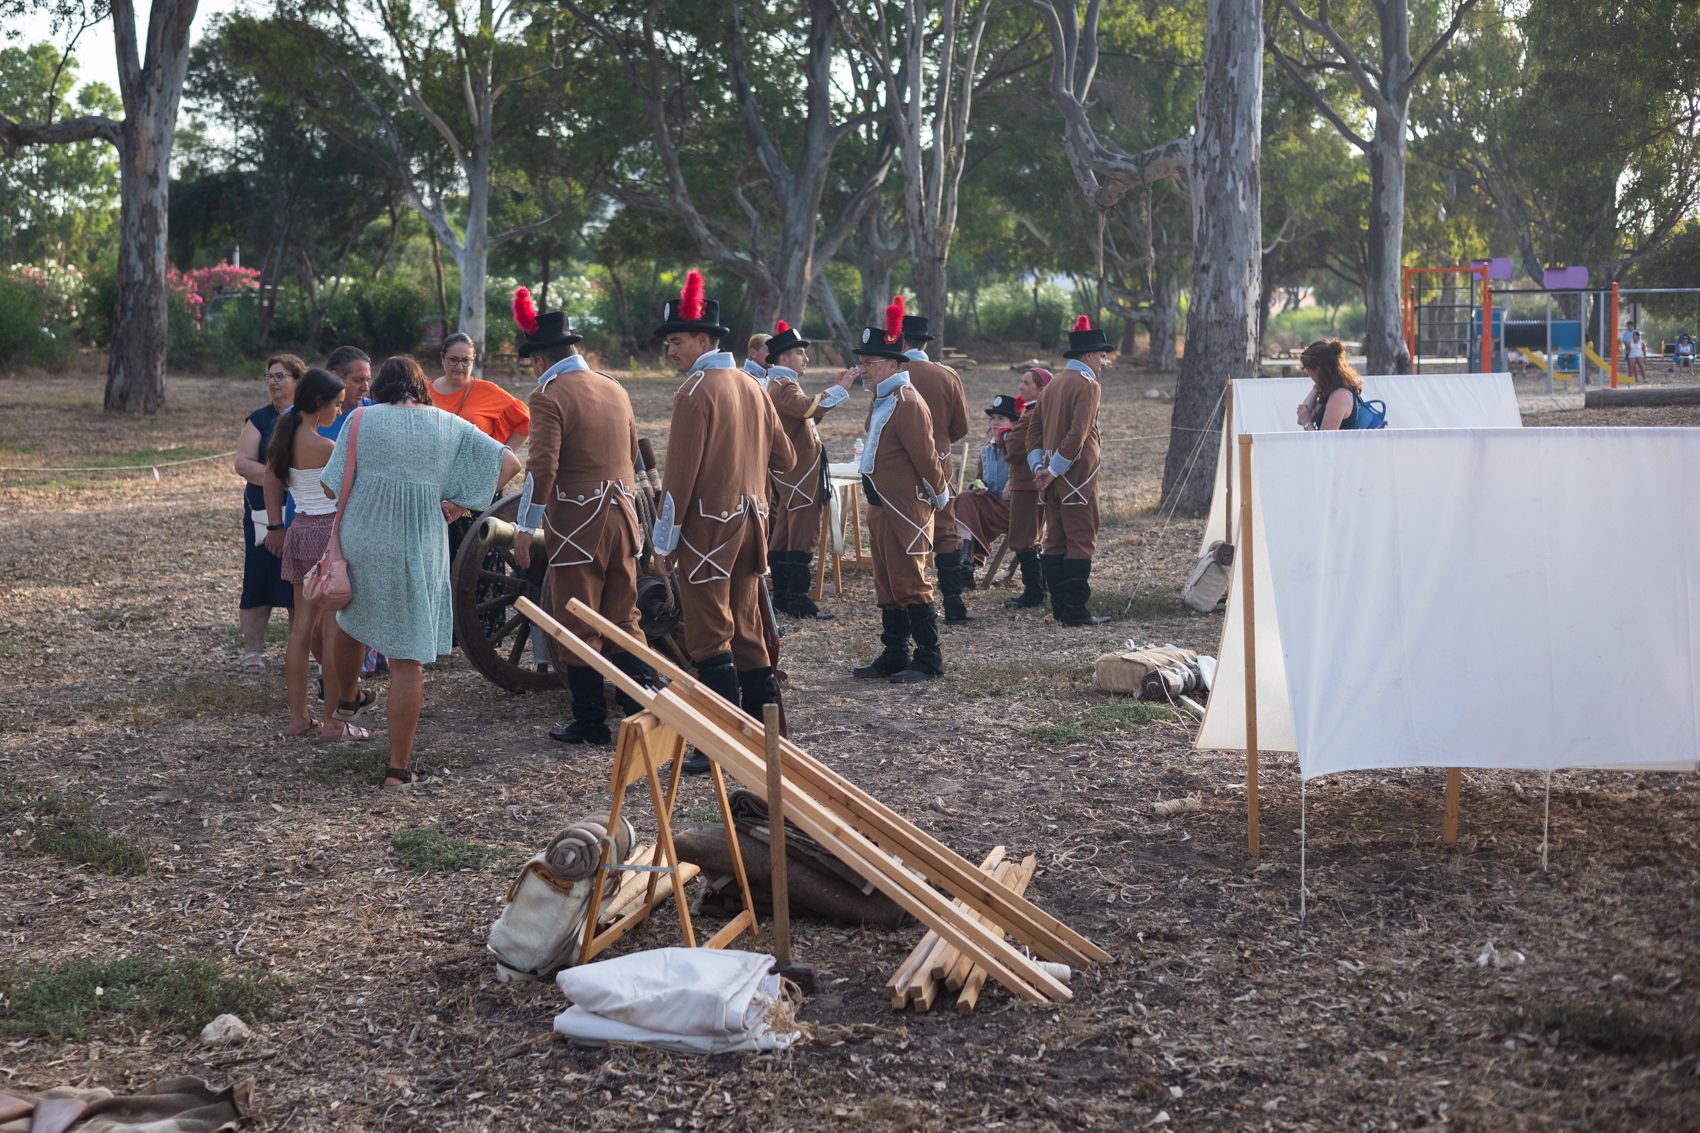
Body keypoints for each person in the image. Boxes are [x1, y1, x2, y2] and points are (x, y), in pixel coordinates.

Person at [320, 355, 522, 786]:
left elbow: (328, 483)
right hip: (419, 541)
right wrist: (459, 501)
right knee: (406, 660)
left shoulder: (360, 420)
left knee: (351, 620)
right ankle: (398, 769)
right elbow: (509, 463)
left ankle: (348, 698)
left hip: (364, 535)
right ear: (421, 387)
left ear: (381, 389)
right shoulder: (448, 424)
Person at [651, 271, 795, 771]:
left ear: (703, 339)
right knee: (748, 632)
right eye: (668, 342)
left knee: (710, 636)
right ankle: (769, 736)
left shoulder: (695, 392)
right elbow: (788, 458)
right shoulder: (753, 386)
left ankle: (718, 747)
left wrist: (663, 540)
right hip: (753, 525)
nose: (670, 350)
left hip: (709, 532)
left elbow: (679, 477)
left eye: (676, 340)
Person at [508, 287, 657, 746]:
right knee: (625, 617)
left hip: (577, 525)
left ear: (539, 359)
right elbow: (633, 454)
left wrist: (525, 526)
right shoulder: (615, 387)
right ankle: (645, 711)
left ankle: (592, 722)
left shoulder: (549, 394)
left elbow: (543, 466)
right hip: (623, 517)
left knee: (577, 622)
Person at [851, 298, 950, 684]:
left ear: (892, 364)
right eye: (861, 362)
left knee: (911, 582)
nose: (863, 369)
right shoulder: (882, 398)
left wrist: (939, 497)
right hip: (881, 505)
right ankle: (894, 652)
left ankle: (929, 657)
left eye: (869, 363)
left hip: (905, 507)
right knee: (887, 583)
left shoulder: (908, 401)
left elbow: (926, 459)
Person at [262, 368, 348, 738]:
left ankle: (298, 718)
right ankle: (332, 720)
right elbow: (339, 497)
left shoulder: (284, 439)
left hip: (299, 530)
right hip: (327, 535)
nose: (339, 413)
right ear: (318, 404)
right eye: (337, 405)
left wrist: (275, 525)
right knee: (330, 634)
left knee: (299, 630)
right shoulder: (327, 448)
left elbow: (269, 479)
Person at [762, 318, 857, 620]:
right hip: (799, 473)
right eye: (800, 352)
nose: (805, 358)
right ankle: (798, 598)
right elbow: (805, 408)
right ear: (783, 358)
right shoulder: (784, 384)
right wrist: (839, 389)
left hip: (790, 472)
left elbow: (802, 419)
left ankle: (782, 595)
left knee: (785, 531)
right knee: (802, 532)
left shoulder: (777, 383)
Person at [1029, 316, 1110, 627]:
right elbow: (1078, 434)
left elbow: (1033, 433)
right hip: (1077, 476)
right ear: (1088, 356)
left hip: (1051, 473)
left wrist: (1040, 466)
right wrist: (1053, 470)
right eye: (1101, 355)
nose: (1103, 362)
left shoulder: (1052, 386)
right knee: (1081, 540)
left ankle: (1060, 608)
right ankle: (1075, 610)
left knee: (1055, 541)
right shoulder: (1088, 385)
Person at [233, 354, 305, 675]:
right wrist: (278, 477)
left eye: (281, 376)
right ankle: (252, 652)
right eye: (270, 377)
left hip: (304, 512)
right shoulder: (259, 419)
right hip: (263, 512)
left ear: (297, 381)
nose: (274, 382)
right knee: (260, 577)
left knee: (298, 584)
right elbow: (243, 463)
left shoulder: (309, 418)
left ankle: (298, 649)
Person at [899, 308, 972, 623]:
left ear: (900, 340)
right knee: (945, 530)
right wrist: (940, 441)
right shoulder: (946, 375)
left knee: (903, 528)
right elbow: (962, 427)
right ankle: (954, 604)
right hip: (940, 460)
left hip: (901, 464)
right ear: (924, 343)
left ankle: (906, 601)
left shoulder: (892, 374)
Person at [951, 393, 1021, 578]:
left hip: (1013, 508)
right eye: (993, 418)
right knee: (966, 498)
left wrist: (1012, 482)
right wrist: (977, 486)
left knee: (968, 508)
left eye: (1001, 418)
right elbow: (980, 478)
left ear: (1014, 423)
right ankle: (965, 561)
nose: (995, 422)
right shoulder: (985, 451)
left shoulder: (1019, 447)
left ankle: (967, 562)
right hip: (990, 505)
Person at [1000, 367, 1053, 609]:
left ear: (1041, 388)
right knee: (1032, 537)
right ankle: (1041, 586)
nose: (1020, 387)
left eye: (1026, 383)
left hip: (1025, 484)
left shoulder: (1032, 416)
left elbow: (1013, 450)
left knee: (1023, 538)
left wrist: (1003, 436)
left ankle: (1034, 591)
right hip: (1031, 483)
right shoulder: (1042, 413)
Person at [430, 333, 531, 444]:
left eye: (465, 360)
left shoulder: (487, 391)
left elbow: (525, 420)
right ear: (443, 358)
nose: (459, 366)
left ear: (473, 360)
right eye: (453, 360)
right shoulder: (422, 392)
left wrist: (503, 456)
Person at [1294, 337, 1364, 431]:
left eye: (1308, 369)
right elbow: (1301, 418)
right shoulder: (1330, 391)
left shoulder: (1339, 396)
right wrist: (1317, 387)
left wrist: (1307, 423)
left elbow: (1324, 442)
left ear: (1318, 370)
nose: (1308, 374)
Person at [319, 345, 373, 440]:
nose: (365, 388)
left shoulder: (374, 413)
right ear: (334, 377)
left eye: (367, 380)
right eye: (358, 380)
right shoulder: (301, 415)